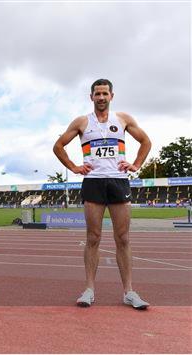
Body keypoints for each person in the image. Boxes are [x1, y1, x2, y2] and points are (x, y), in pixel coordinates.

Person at [53, 79, 152, 310]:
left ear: (111, 96)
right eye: (97, 94)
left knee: (123, 238)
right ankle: (89, 290)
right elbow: (58, 146)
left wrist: (136, 163)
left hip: (118, 182)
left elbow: (146, 141)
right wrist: (74, 167)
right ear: (91, 97)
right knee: (93, 237)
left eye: (104, 93)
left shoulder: (123, 119)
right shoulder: (82, 122)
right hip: (93, 183)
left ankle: (129, 291)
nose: (101, 97)